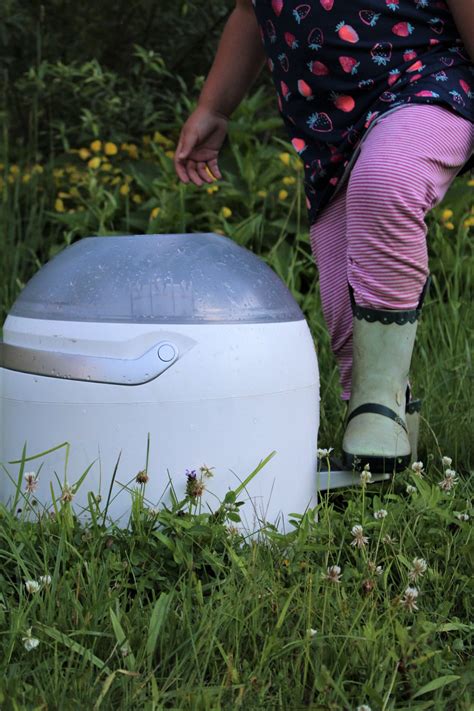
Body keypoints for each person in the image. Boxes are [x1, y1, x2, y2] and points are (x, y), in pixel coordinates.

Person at [174, 0, 473, 473]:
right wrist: (214, 106)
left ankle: (378, 403)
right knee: (344, 301)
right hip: (329, 131)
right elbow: (251, 13)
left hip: (427, 81)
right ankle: (386, 452)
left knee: (386, 181)